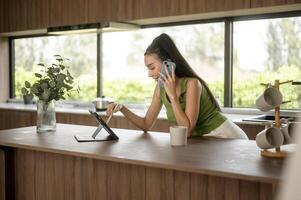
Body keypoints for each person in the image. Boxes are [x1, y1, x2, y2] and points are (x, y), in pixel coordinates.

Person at [107, 33, 248, 139]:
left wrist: (173, 96)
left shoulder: (192, 84)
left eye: (152, 67)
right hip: (205, 141)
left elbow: (186, 131)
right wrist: (122, 108)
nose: (149, 74)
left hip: (227, 136)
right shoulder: (160, 89)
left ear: (168, 63)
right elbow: (146, 124)